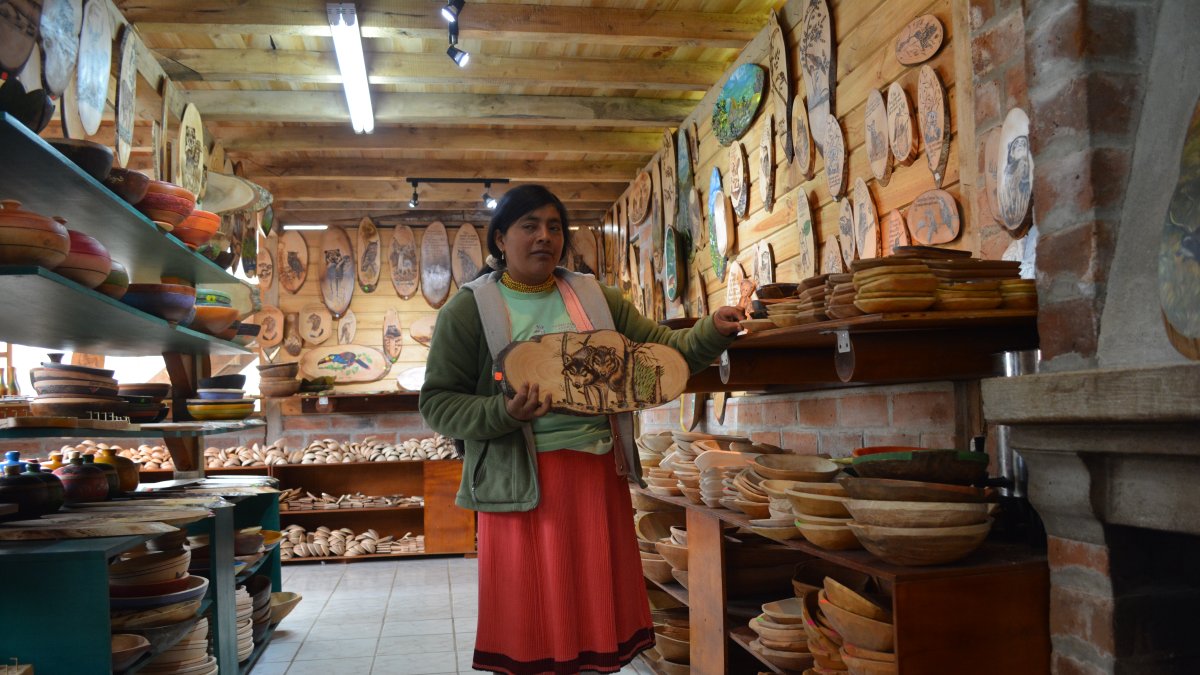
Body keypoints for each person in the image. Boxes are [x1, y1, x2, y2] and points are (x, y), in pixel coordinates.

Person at [419, 184, 744, 675]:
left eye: (554, 227)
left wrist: (713, 331)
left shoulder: (596, 298)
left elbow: (662, 353)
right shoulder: (469, 310)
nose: (544, 237)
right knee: (531, 625)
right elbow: (438, 403)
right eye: (529, 226)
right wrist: (503, 414)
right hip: (519, 487)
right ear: (501, 238)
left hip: (595, 478)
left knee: (591, 625)